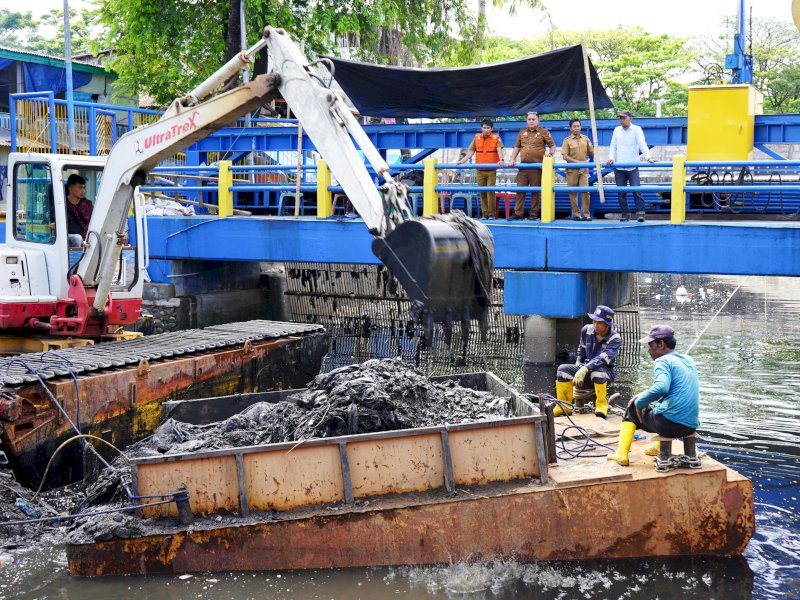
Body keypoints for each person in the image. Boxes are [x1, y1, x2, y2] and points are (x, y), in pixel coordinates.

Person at [607, 325, 700, 466]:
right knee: (654, 404)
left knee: (632, 408)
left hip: (670, 426)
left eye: (651, 346)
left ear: (661, 344)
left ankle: (621, 454)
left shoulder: (661, 361)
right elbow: (669, 388)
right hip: (690, 425)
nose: (649, 350)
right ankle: (657, 448)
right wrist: (643, 395)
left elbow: (661, 387)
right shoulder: (688, 360)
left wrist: (639, 403)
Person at [554, 305, 621, 419]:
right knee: (562, 370)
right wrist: (578, 365)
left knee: (598, 371)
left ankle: (601, 405)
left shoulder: (615, 339)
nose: (596, 324)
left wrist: (584, 369)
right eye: (594, 321)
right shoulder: (586, 330)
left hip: (605, 371)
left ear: (607, 324)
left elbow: (602, 359)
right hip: (585, 368)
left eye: (599, 322)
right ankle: (564, 406)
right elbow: (581, 350)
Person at [605, 110, 656, 222]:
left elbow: (642, 144)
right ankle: (625, 214)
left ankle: (640, 213)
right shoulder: (617, 130)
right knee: (621, 193)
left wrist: (648, 157)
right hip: (619, 166)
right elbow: (613, 146)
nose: (621, 120)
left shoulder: (637, 129)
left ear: (630, 118)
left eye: (623, 118)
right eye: (620, 118)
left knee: (636, 190)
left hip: (632, 165)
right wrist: (611, 158)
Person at [508, 112, 555, 221]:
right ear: (526, 121)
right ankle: (518, 213)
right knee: (520, 190)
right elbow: (517, 147)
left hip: (536, 167)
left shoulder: (544, 132)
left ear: (538, 120)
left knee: (535, 191)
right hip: (523, 167)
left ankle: (533, 214)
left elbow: (552, 145)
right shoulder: (522, 132)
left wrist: (550, 154)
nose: (531, 121)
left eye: (533, 119)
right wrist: (512, 158)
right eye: (529, 119)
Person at [456, 119, 505, 219]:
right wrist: (462, 161)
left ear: (491, 129)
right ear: (481, 128)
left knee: (490, 192)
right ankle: (485, 214)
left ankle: (491, 214)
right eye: (484, 128)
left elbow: (499, 150)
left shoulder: (497, 138)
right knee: (482, 192)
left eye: (488, 128)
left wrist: (501, 160)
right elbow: (471, 152)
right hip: (479, 170)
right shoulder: (476, 138)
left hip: (491, 170)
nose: (486, 130)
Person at [561, 118, 594, 221]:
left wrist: (592, 147)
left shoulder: (586, 139)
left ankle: (586, 215)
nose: (576, 128)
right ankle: (576, 214)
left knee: (586, 191)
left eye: (578, 126)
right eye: (574, 126)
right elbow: (565, 156)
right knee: (573, 192)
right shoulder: (567, 140)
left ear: (580, 127)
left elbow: (591, 153)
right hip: (572, 170)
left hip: (584, 170)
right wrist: (578, 163)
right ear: (570, 128)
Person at [65, 174, 93, 246]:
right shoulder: (62, 205)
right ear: (70, 188)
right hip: (70, 241)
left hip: (89, 238)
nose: (83, 191)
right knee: (77, 238)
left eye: (84, 188)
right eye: (80, 188)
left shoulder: (88, 204)